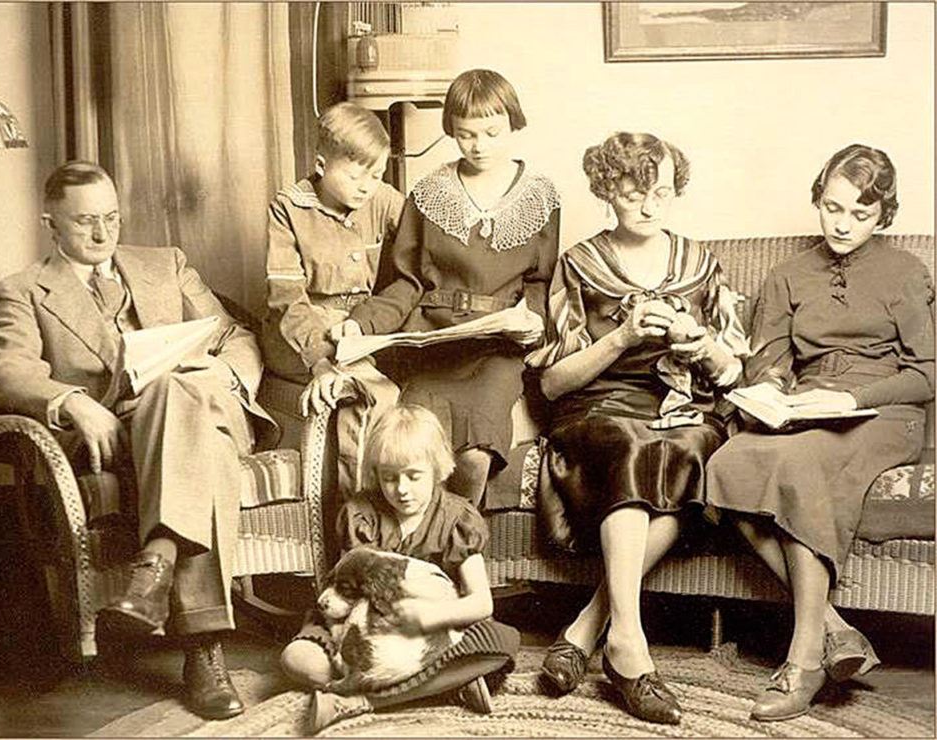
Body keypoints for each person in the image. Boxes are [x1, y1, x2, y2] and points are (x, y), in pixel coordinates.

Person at [0, 161, 278, 720]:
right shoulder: (24, 290)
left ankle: (158, 562)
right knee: (191, 429)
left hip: (208, 406)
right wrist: (73, 402)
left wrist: (229, 376)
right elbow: (7, 372)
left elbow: (232, 336)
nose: (103, 234)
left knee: (176, 390)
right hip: (120, 435)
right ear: (51, 224)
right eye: (86, 223)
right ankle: (203, 650)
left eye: (112, 219)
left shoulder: (165, 264)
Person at [704, 144, 935, 721]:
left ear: (883, 216)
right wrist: (779, 387)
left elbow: (926, 372)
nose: (843, 224)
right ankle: (834, 628)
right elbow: (769, 360)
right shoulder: (788, 275)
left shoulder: (906, 272)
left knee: (799, 463)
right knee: (728, 462)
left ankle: (803, 656)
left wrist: (851, 397)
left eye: (861, 214)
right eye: (833, 207)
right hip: (809, 407)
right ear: (818, 199)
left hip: (882, 411)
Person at [525, 132, 750, 724]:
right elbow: (551, 384)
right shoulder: (580, 264)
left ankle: (590, 627)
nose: (649, 207)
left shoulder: (700, 264)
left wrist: (702, 347)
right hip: (598, 409)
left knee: (692, 445)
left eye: (663, 193)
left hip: (679, 410)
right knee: (630, 443)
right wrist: (621, 338)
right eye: (633, 195)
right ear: (607, 192)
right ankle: (630, 642)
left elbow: (730, 371)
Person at [339, 68, 560, 506]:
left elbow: (541, 282)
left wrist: (533, 323)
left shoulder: (541, 197)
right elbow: (405, 282)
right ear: (452, 133)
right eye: (466, 135)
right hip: (434, 344)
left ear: (514, 124)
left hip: (497, 350)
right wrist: (360, 325)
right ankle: (422, 562)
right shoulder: (428, 193)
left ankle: (456, 552)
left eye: (492, 132)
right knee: (414, 451)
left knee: (475, 456)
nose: (479, 146)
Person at [278, 404, 520, 733]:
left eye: (413, 476)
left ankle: (357, 701)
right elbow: (347, 592)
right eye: (389, 477)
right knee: (297, 660)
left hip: (433, 633)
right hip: (359, 629)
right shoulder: (361, 513)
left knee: (499, 643)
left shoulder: (456, 519)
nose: (401, 489)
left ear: (438, 470)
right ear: (376, 474)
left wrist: (430, 617)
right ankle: (443, 686)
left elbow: (481, 603)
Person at [261, 101, 404, 493]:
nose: (366, 186)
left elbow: (422, 251)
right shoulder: (289, 207)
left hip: (360, 331)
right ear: (323, 165)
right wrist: (321, 364)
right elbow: (287, 299)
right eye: (357, 175)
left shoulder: (383, 199)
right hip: (298, 332)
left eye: (375, 175)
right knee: (373, 394)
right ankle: (359, 516)